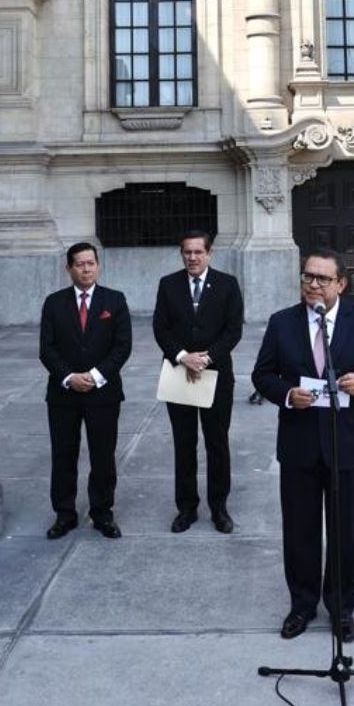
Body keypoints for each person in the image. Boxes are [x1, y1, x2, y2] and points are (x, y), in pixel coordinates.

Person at [251, 247, 354, 643]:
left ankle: (341, 607)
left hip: (346, 443)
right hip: (298, 443)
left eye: (322, 279)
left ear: (341, 284)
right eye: (307, 277)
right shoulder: (282, 322)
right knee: (300, 530)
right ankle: (301, 605)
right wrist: (286, 393)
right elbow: (262, 374)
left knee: (346, 530)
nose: (313, 285)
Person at [153, 229, 245, 534]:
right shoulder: (168, 285)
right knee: (184, 443)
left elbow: (233, 330)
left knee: (217, 443)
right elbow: (160, 328)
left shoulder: (227, 285)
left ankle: (219, 508)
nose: (192, 257)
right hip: (178, 373)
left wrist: (205, 359)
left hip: (216, 375)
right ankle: (187, 509)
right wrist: (183, 356)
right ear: (182, 254)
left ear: (209, 253)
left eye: (198, 252)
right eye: (187, 252)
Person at [39, 242, 132, 539]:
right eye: (79, 264)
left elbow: (122, 346)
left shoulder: (114, 301)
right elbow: (47, 349)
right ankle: (64, 514)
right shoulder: (54, 303)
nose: (86, 268)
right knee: (63, 455)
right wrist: (68, 377)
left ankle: (102, 513)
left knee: (103, 456)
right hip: (63, 394)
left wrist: (93, 376)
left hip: (103, 394)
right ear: (69, 268)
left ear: (98, 265)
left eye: (91, 262)